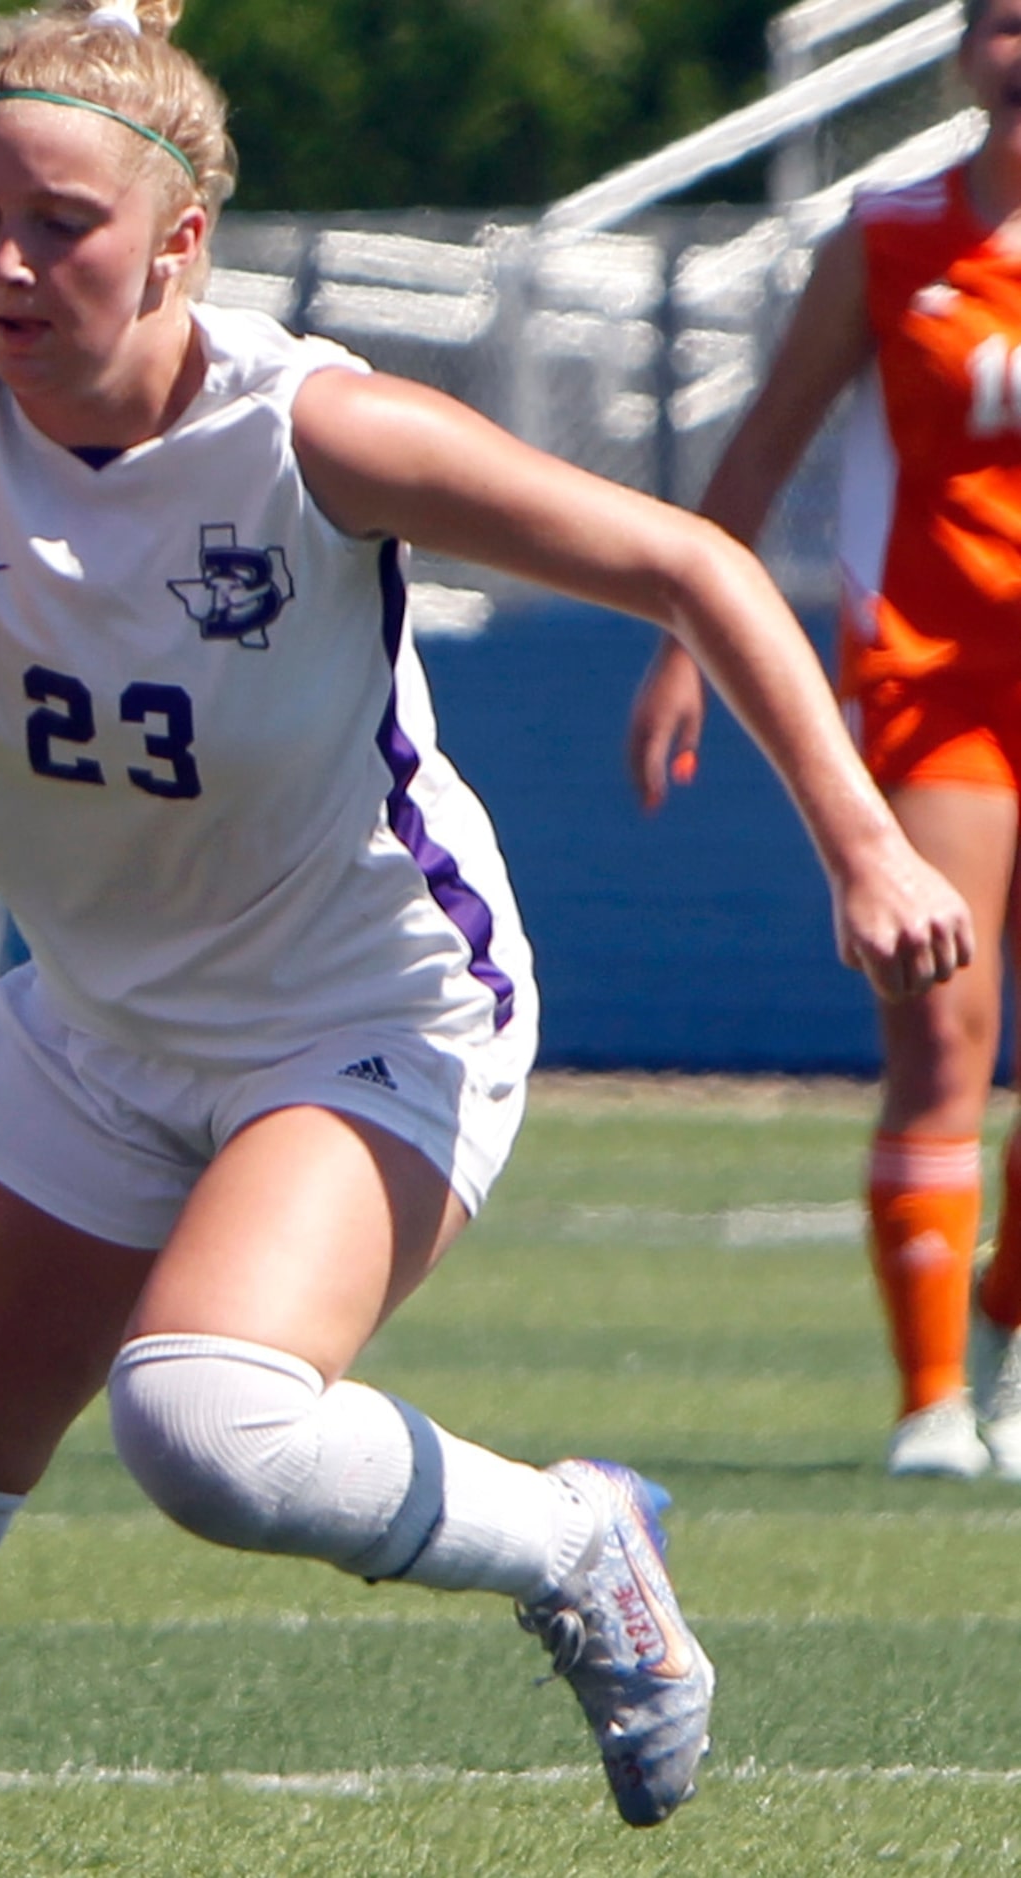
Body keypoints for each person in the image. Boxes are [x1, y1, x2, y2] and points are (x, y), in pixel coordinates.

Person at [0, 2, 971, 1867]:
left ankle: (578, 1540)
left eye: (59, 227)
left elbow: (691, 562)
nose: (5, 269)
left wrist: (859, 842)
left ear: (180, 240)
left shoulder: (309, 427)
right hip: (94, 1034)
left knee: (204, 1424)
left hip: (367, 1012)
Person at [630, 0, 1021, 1482]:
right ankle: (929, 1400)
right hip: (936, 685)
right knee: (939, 1027)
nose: (1014, 43)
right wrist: (681, 642)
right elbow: (761, 445)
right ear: (958, 51)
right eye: (993, 18)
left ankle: (1003, 1325)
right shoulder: (887, 235)